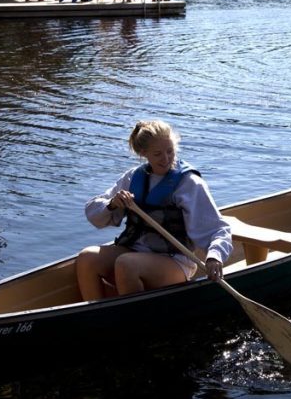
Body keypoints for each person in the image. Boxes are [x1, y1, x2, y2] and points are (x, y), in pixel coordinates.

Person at [77, 120, 233, 301]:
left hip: (174, 261)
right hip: (134, 251)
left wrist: (214, 257)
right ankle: (97, 316)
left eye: (170, 151)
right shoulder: (133, 177)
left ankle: (137, 322)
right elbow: (93, 212)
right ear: (144, 154)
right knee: (87, 258)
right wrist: (112, 204)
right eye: (158, 154)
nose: (166, 159)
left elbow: (217, 228)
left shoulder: (189, 183)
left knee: (126, 264)